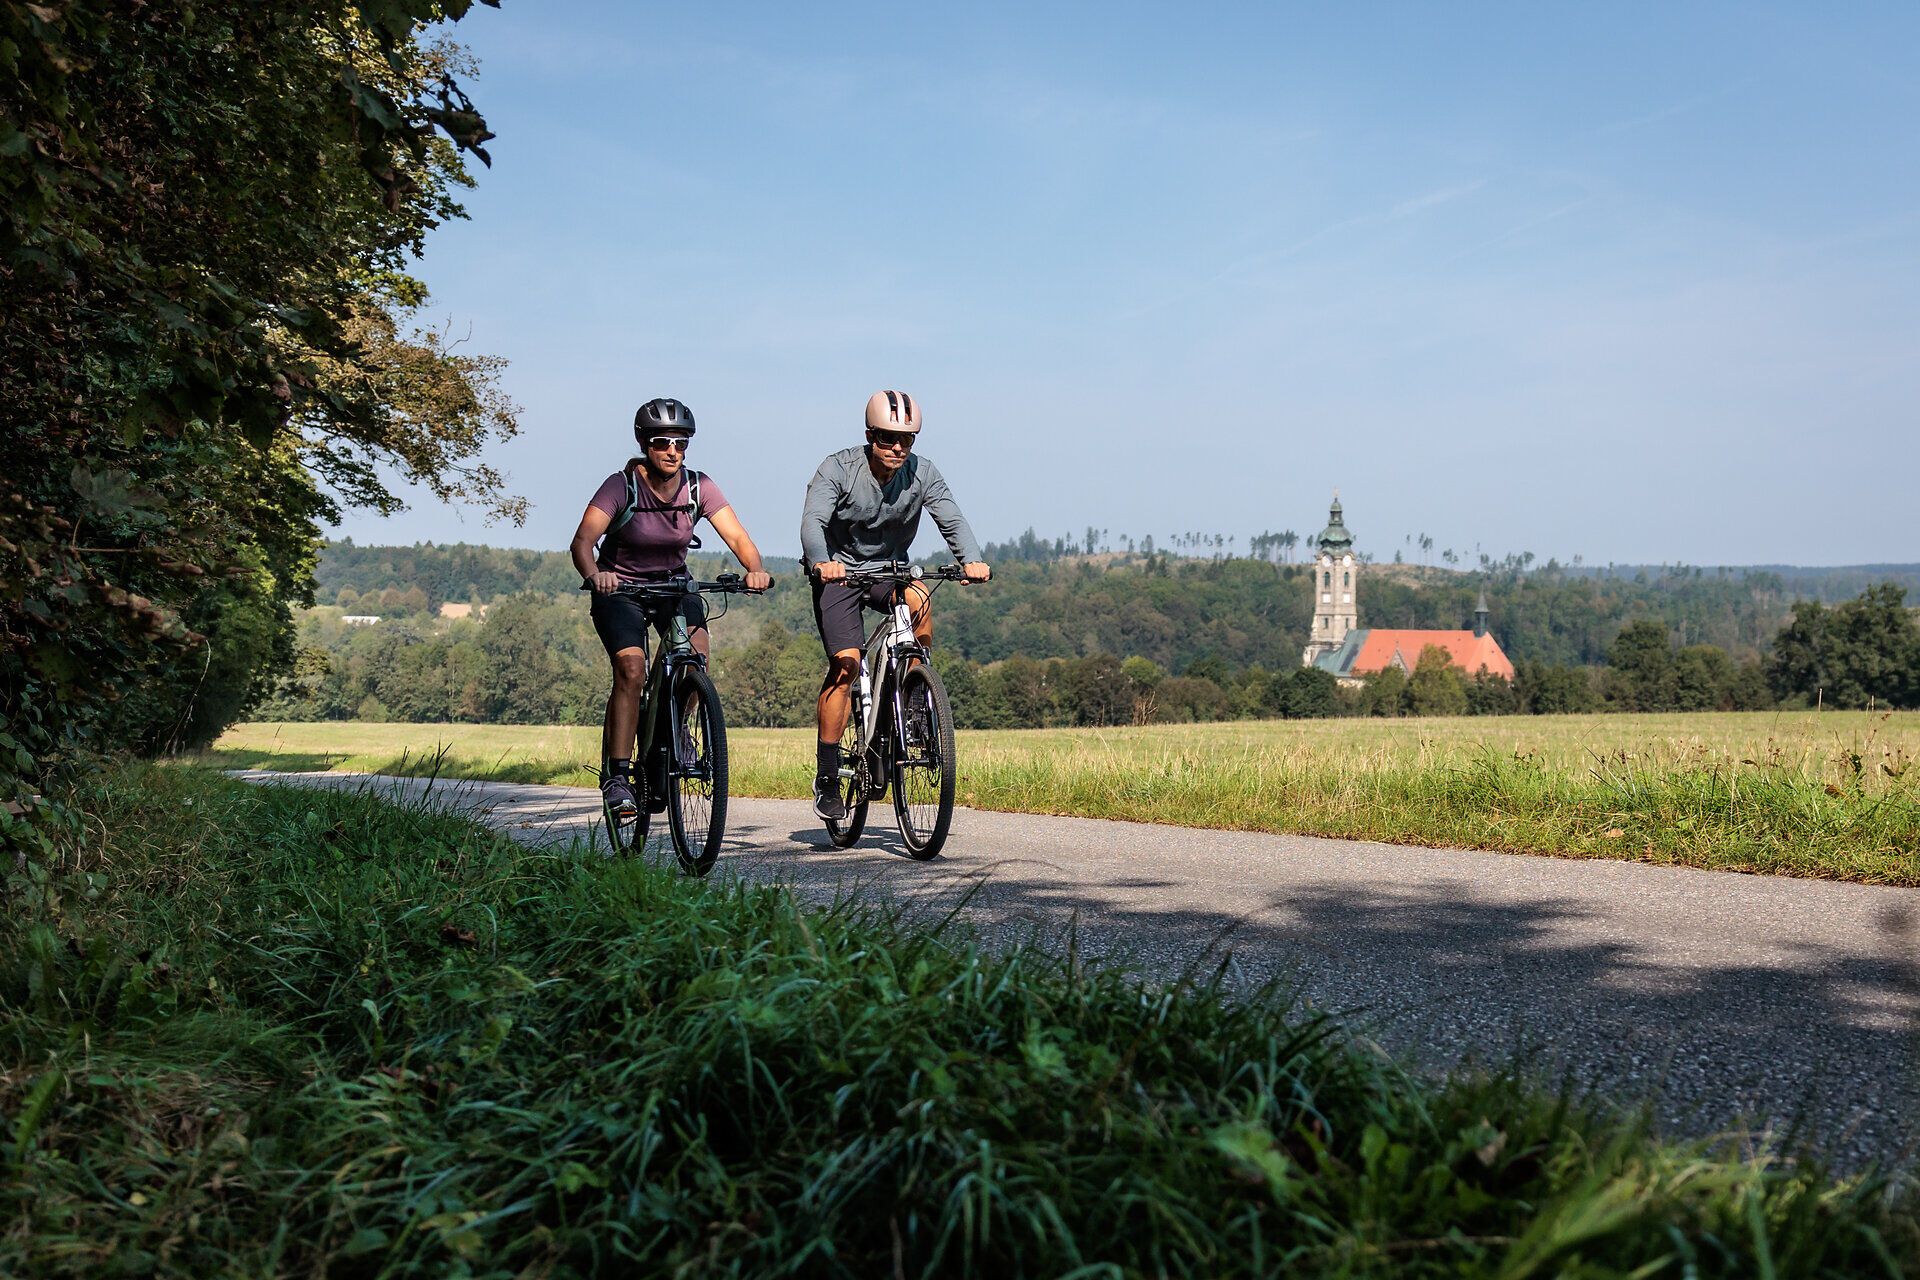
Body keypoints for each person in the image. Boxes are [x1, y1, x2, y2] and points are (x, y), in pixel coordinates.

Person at [570, 398, 771, 818]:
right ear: (644, 443)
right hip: (619, 590)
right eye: (662, 442)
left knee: (696, 654)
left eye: (681, 443)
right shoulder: (620, 486)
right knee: (631, 668)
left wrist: (755, 569)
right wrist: (595, 575)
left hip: (672, 587)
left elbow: (737, 537)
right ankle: (619, 777)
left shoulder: (699, 487)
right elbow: (583, 542)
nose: (672, 451)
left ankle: (678, 732)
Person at [800, 389, 990, 821]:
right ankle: (828, 776)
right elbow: (813, 521)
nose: (898, 448)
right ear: (870, 435)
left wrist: (972, 560)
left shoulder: (924, 474)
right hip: (840, 575)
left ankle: (915, 695)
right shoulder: (838, 469)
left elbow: (951, 516)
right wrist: (821, 562)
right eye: (887, 438)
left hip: (891, 571)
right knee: (846, 665)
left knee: (920, 596)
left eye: (907, 439)